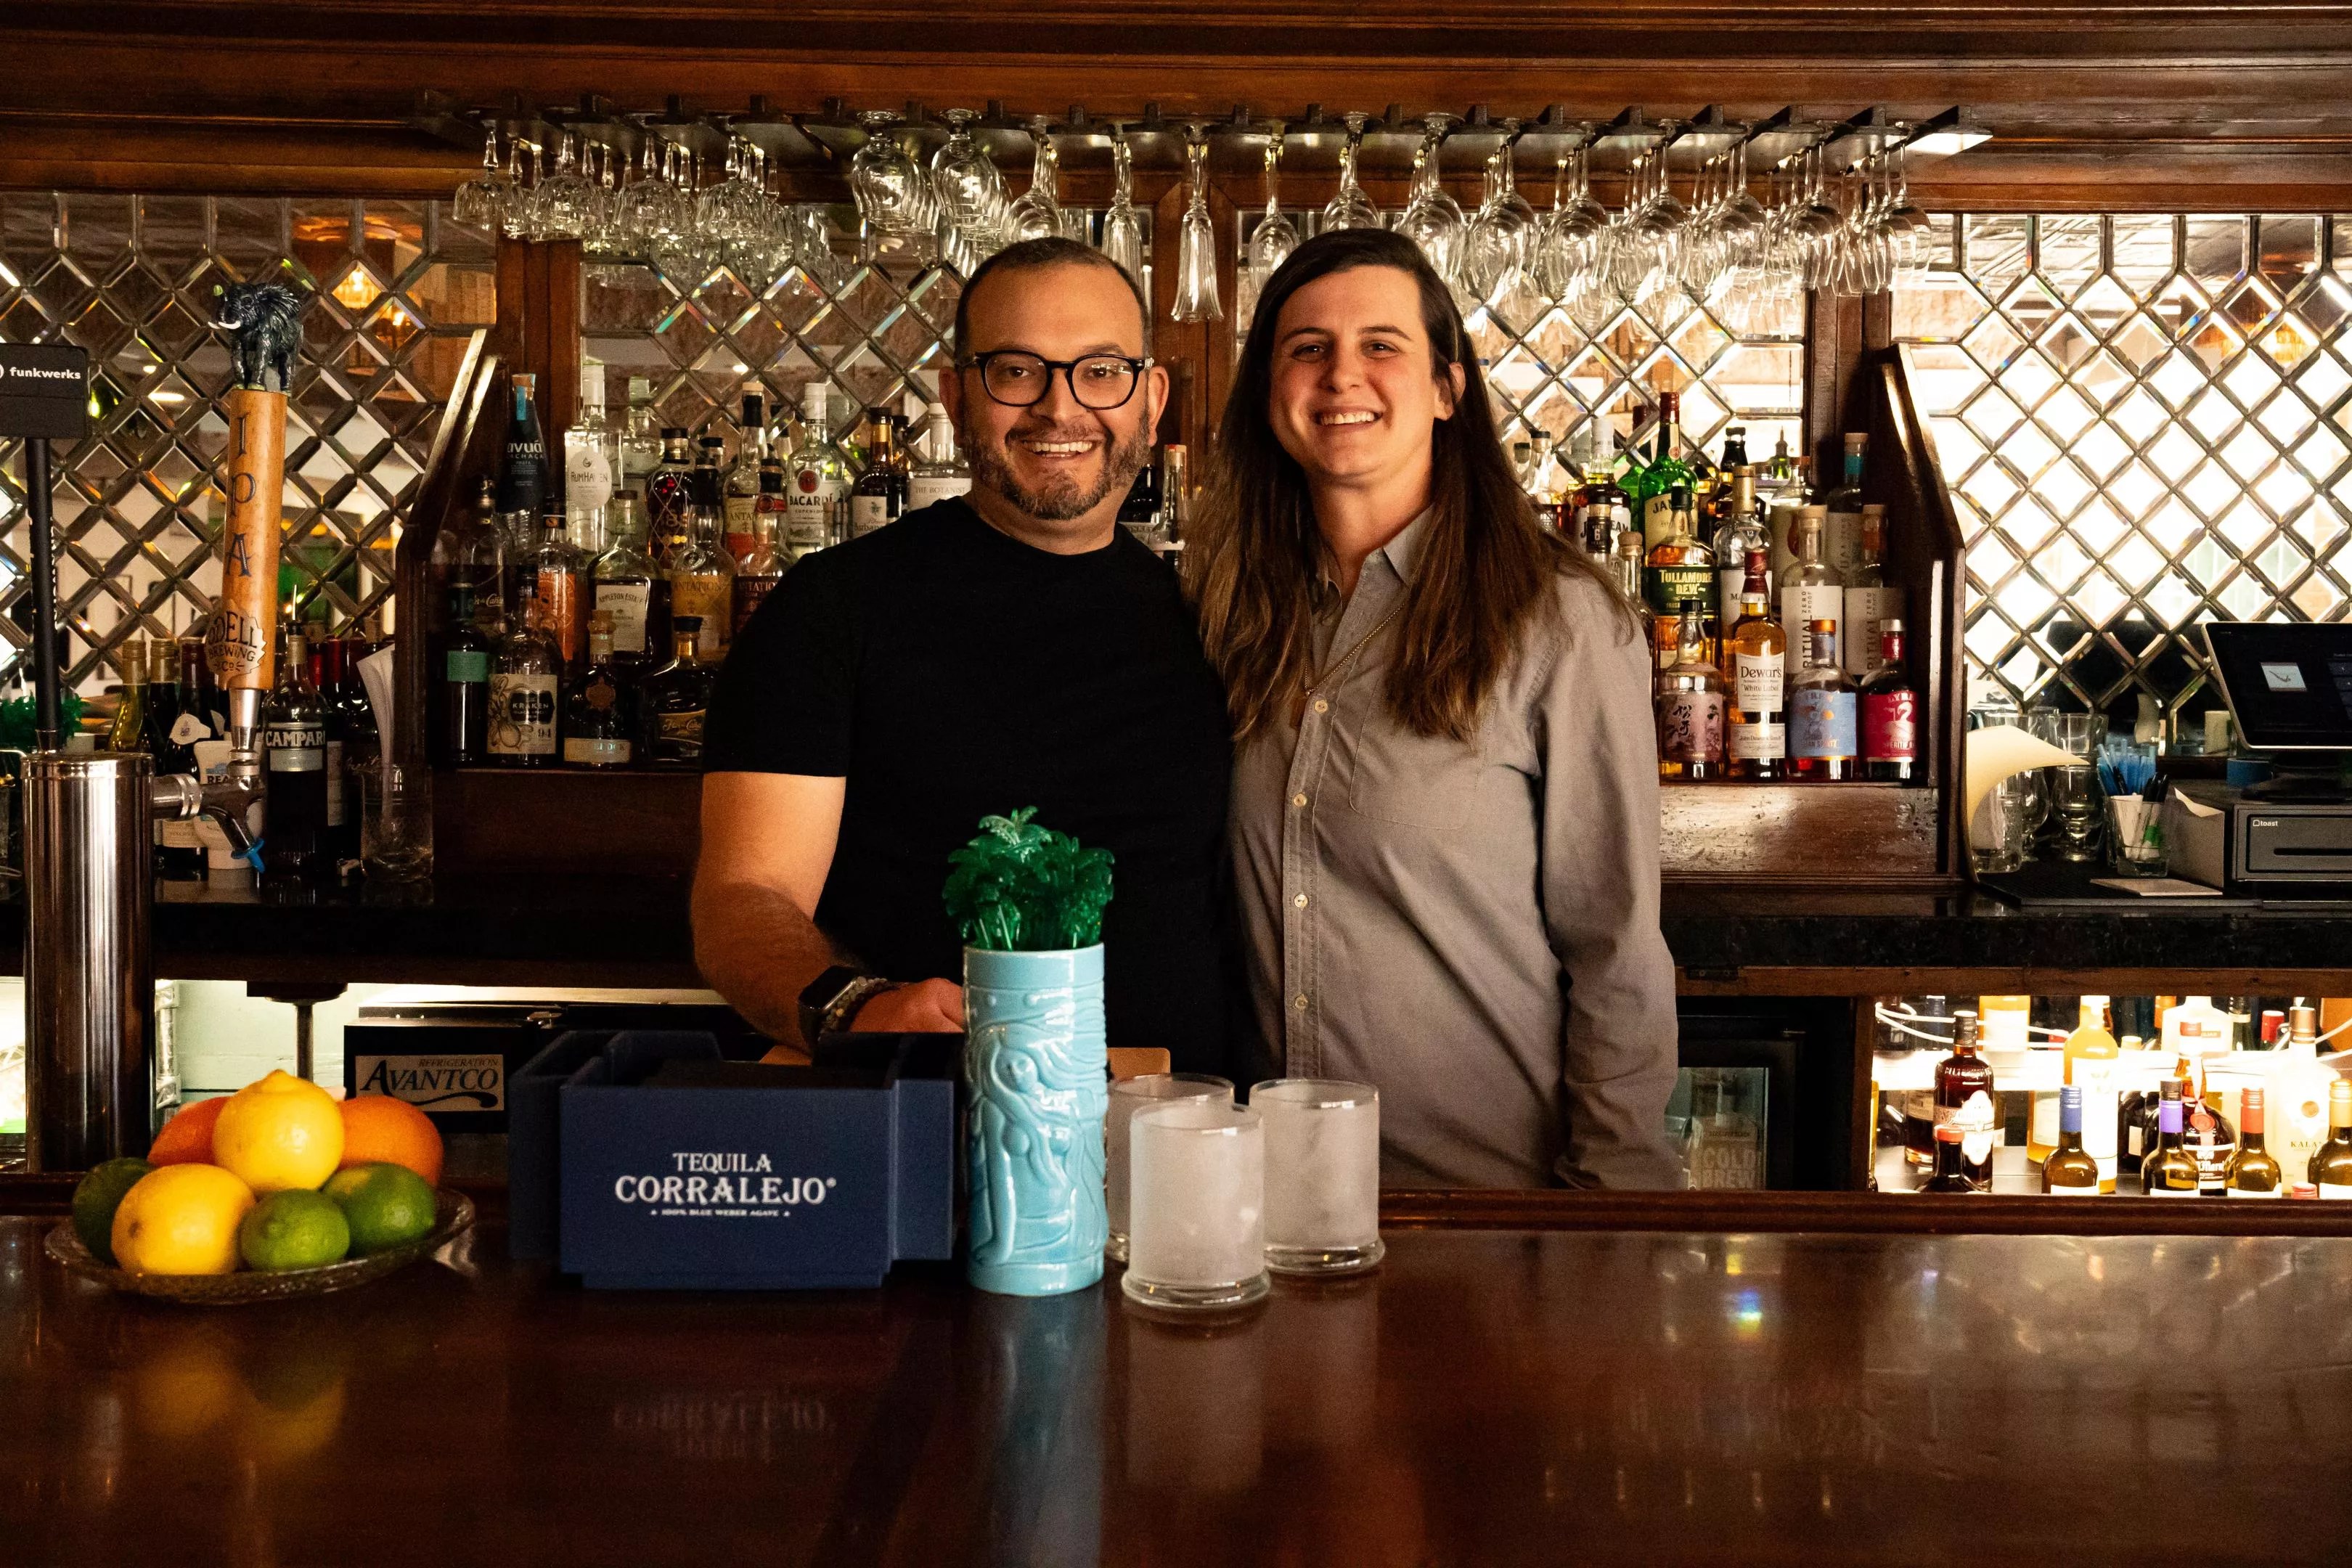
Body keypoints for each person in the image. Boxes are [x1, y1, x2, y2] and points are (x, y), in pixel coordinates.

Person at [1192, 228, 1681, 1189]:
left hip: (1479, 1209)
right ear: (1269, 392)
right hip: (1267, 1205)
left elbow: (1615, 947)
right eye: (1307, 348)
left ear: (1449, 389)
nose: (1342, 375)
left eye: (1381, 345)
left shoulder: (1558, 620)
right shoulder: (1231, 612)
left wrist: (1611, 1212)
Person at [695, 237, 1233, 1068]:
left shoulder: (1219, 618)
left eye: (1100, 371)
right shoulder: (833, 608)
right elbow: (744, 896)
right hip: (927, 1109)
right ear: (954, 396)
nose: (1060, 408)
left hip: (1184, 1121)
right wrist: (855, 1009)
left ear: (1151, 398)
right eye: (1017, 370)